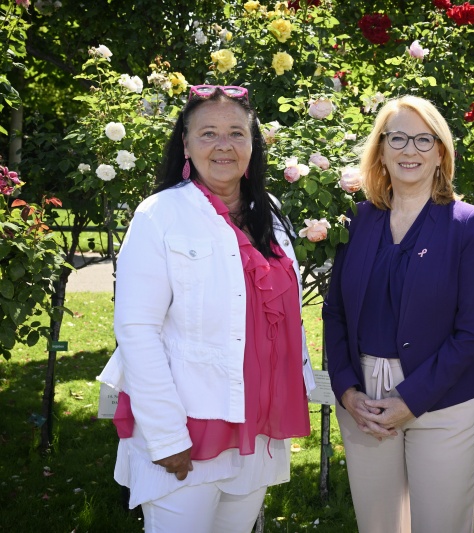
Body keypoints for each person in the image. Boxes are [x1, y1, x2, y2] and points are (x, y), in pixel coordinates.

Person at [98, 85, 315, 533]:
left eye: (236, 133)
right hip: (190, 429)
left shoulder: (269, 215)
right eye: (208, 133)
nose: (223, 145)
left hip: (256, 428)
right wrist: (165, 436)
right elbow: (137, 329)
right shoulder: (160, 214)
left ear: (252, 144)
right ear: (186, 143)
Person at [323, 95, 474, 533]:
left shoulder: (468, 224)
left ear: (441, 153)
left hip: (445, 400)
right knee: (378, 527)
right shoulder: (355, 221)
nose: (409, 150)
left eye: (423, 139)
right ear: (380, 150)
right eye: (397, 138)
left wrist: (410, 399)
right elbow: (335, 312)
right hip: (364, 402)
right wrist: (345, 390)